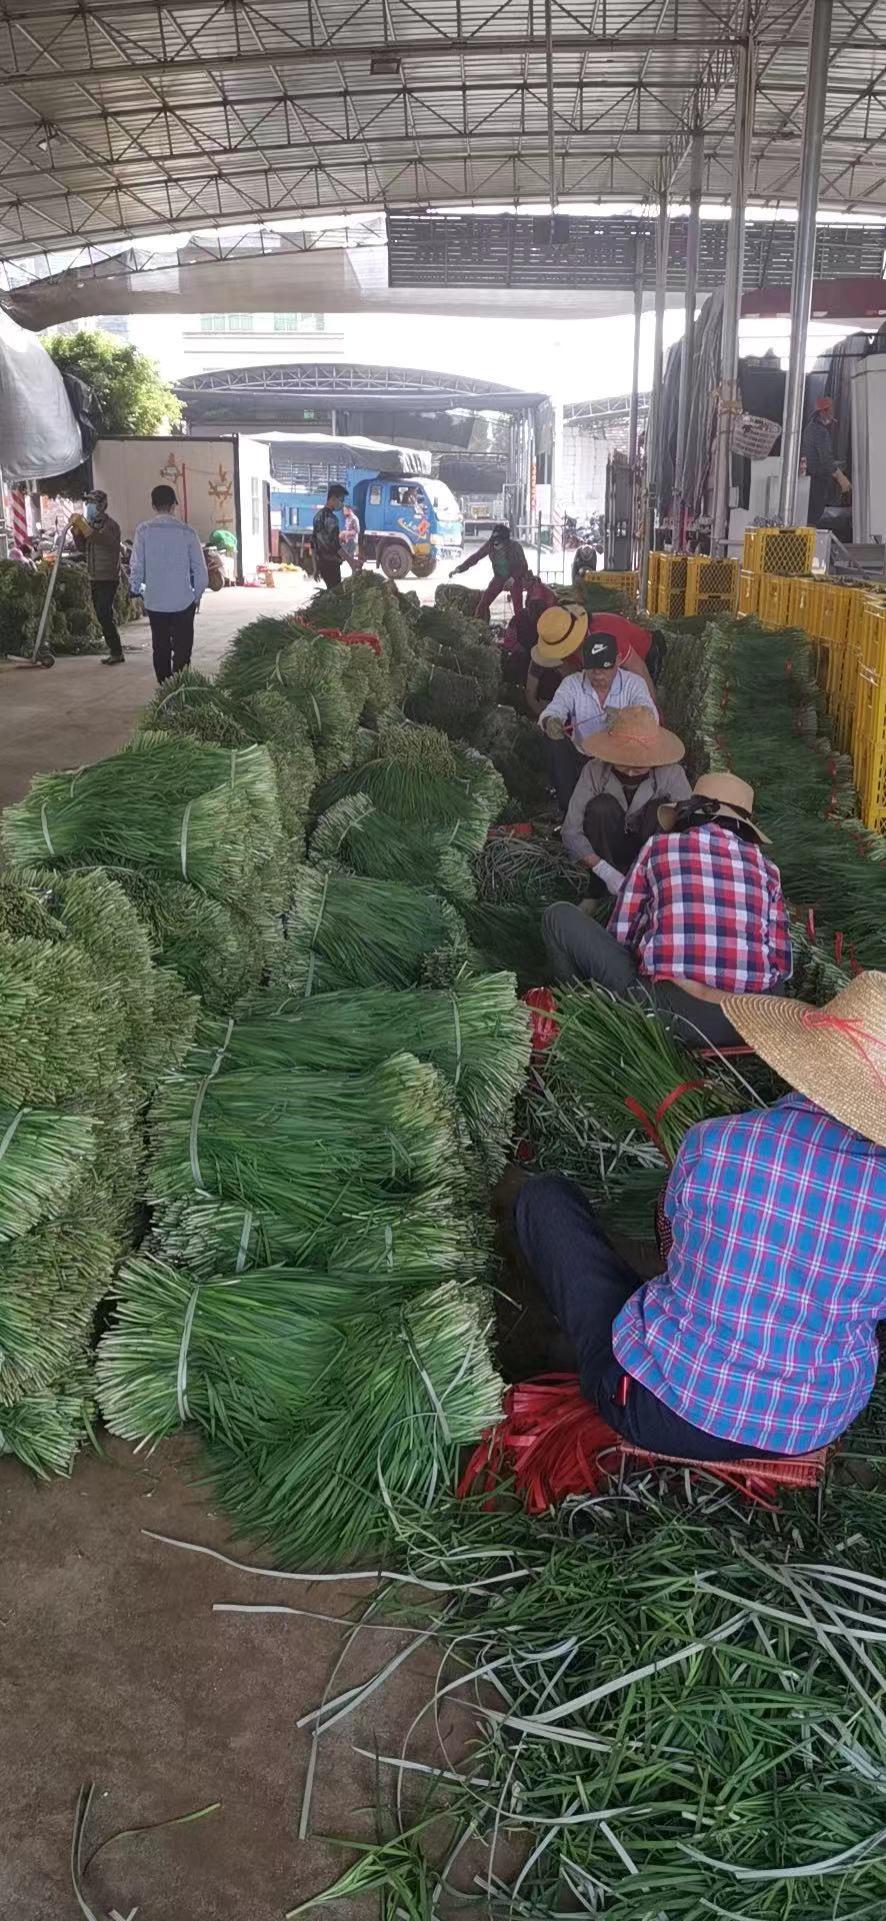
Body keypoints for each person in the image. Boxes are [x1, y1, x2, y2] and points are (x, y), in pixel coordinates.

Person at [512, 971, 886, 1461]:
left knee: (544, 1199)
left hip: (661, 1410)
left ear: (802, 1051)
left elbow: (673, 1243)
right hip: (808, 1426)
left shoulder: (717, 1141)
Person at [544, 771, 792, 1047]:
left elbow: (621, 935)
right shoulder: (768, 871)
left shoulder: (660, 847)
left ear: (690, 813)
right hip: (747, 1026)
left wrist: (670, 954)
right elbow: (782, 964)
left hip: (665, 1014)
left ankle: (581, 1014)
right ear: (743, 825)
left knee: (558, 916)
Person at [562, 707, 691, 895]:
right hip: (606, 848)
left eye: (639, 765)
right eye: (623, 762)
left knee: (663, 809)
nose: (630, 771)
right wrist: (602, 870)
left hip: (652, 849)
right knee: (601, 807)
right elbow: (571, 830)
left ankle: (653, 888)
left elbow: (689, 826)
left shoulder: (671, 773)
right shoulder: (594, 771)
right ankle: (598, 891)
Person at [536, 612, 657, 812]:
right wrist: (550, 720)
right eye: (592, 668)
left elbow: (648, 713)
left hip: (621, 761)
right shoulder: (572, 684)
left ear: (618, 661)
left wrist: (625, 718)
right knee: (553, 742)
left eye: (605, 667)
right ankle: (568, 809)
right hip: (582, 758)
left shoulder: (634, 684)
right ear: (584, 663)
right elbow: (555, 707)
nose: (598, 674)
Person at [129, 484, 209, 685]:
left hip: (155, 602)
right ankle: (179, 688)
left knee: (161, 648)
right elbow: (200, 570)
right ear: (174, 505)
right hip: (183, 602)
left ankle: (164, 688)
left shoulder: (143, 531)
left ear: (153, 505)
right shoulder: (187, 532)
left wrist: (136, 588)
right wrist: (196, 596)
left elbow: (137, 565)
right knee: (183, 650)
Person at [527, 606, 657, 717]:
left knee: (633, 700)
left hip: (643, 654)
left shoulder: (608, 636)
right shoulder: (563, 642)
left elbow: (640, 670)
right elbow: (574, 678)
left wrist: (653, 713)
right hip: (612, 669)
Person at [75, 488, 124, 666]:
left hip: (108, 576)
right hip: (94, 576)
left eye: (93, 503)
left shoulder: (110, 525)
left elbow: (102, 540)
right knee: (101, 613)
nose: (89, 506)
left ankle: (117, 651)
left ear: (102, 505)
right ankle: (115, 650)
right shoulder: (90, 524)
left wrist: (85, 529)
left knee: (104, 612)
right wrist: (77, 533)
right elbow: (82, 547)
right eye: (87, 503)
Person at [451, 522, 530, 622]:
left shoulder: (515, 547)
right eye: (494, 542)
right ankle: (477, 625)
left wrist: (513, 579)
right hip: (499, 578)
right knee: (483, 602)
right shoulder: (490, 545)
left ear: (506, 542)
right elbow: (476, 557)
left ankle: (521, 629)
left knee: (518, 609)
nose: (496, 545)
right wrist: (460, 568)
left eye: (499, 543)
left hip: (515, 579)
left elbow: (523, 566)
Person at [801, 396, 851, 528]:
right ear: (823, 412)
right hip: (817, 481)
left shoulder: (810, 428)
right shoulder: (820, 432)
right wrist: (841, 478)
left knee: (810, 515)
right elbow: (826, 461)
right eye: (831, 410)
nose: (833, 413)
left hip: (810, 479)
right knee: (814, 516)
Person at [311, 483, 347, 589]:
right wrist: (351, 561)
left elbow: (313, 544)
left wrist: (315, 567)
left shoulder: (317, 516)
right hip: (332, 566)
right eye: (341, 500)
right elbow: (336, 546)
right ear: (333, 498)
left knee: (331, 592)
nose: (342, 504)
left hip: (323, 565)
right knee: (337, 595)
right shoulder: (332, 519)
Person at [342, 502, 362, 574]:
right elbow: (347, 528)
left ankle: (356, 571)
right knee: (349, 558)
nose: (344, 512)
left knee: (351, 558)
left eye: (345, 510)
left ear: (349, 510)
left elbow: (357, 530)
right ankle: (355, 571)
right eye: (343, 510)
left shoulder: (354, 519)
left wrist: (347, 533)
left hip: (353, 541)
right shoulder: (347, 519)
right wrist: (343, 533)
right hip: (348, 541)